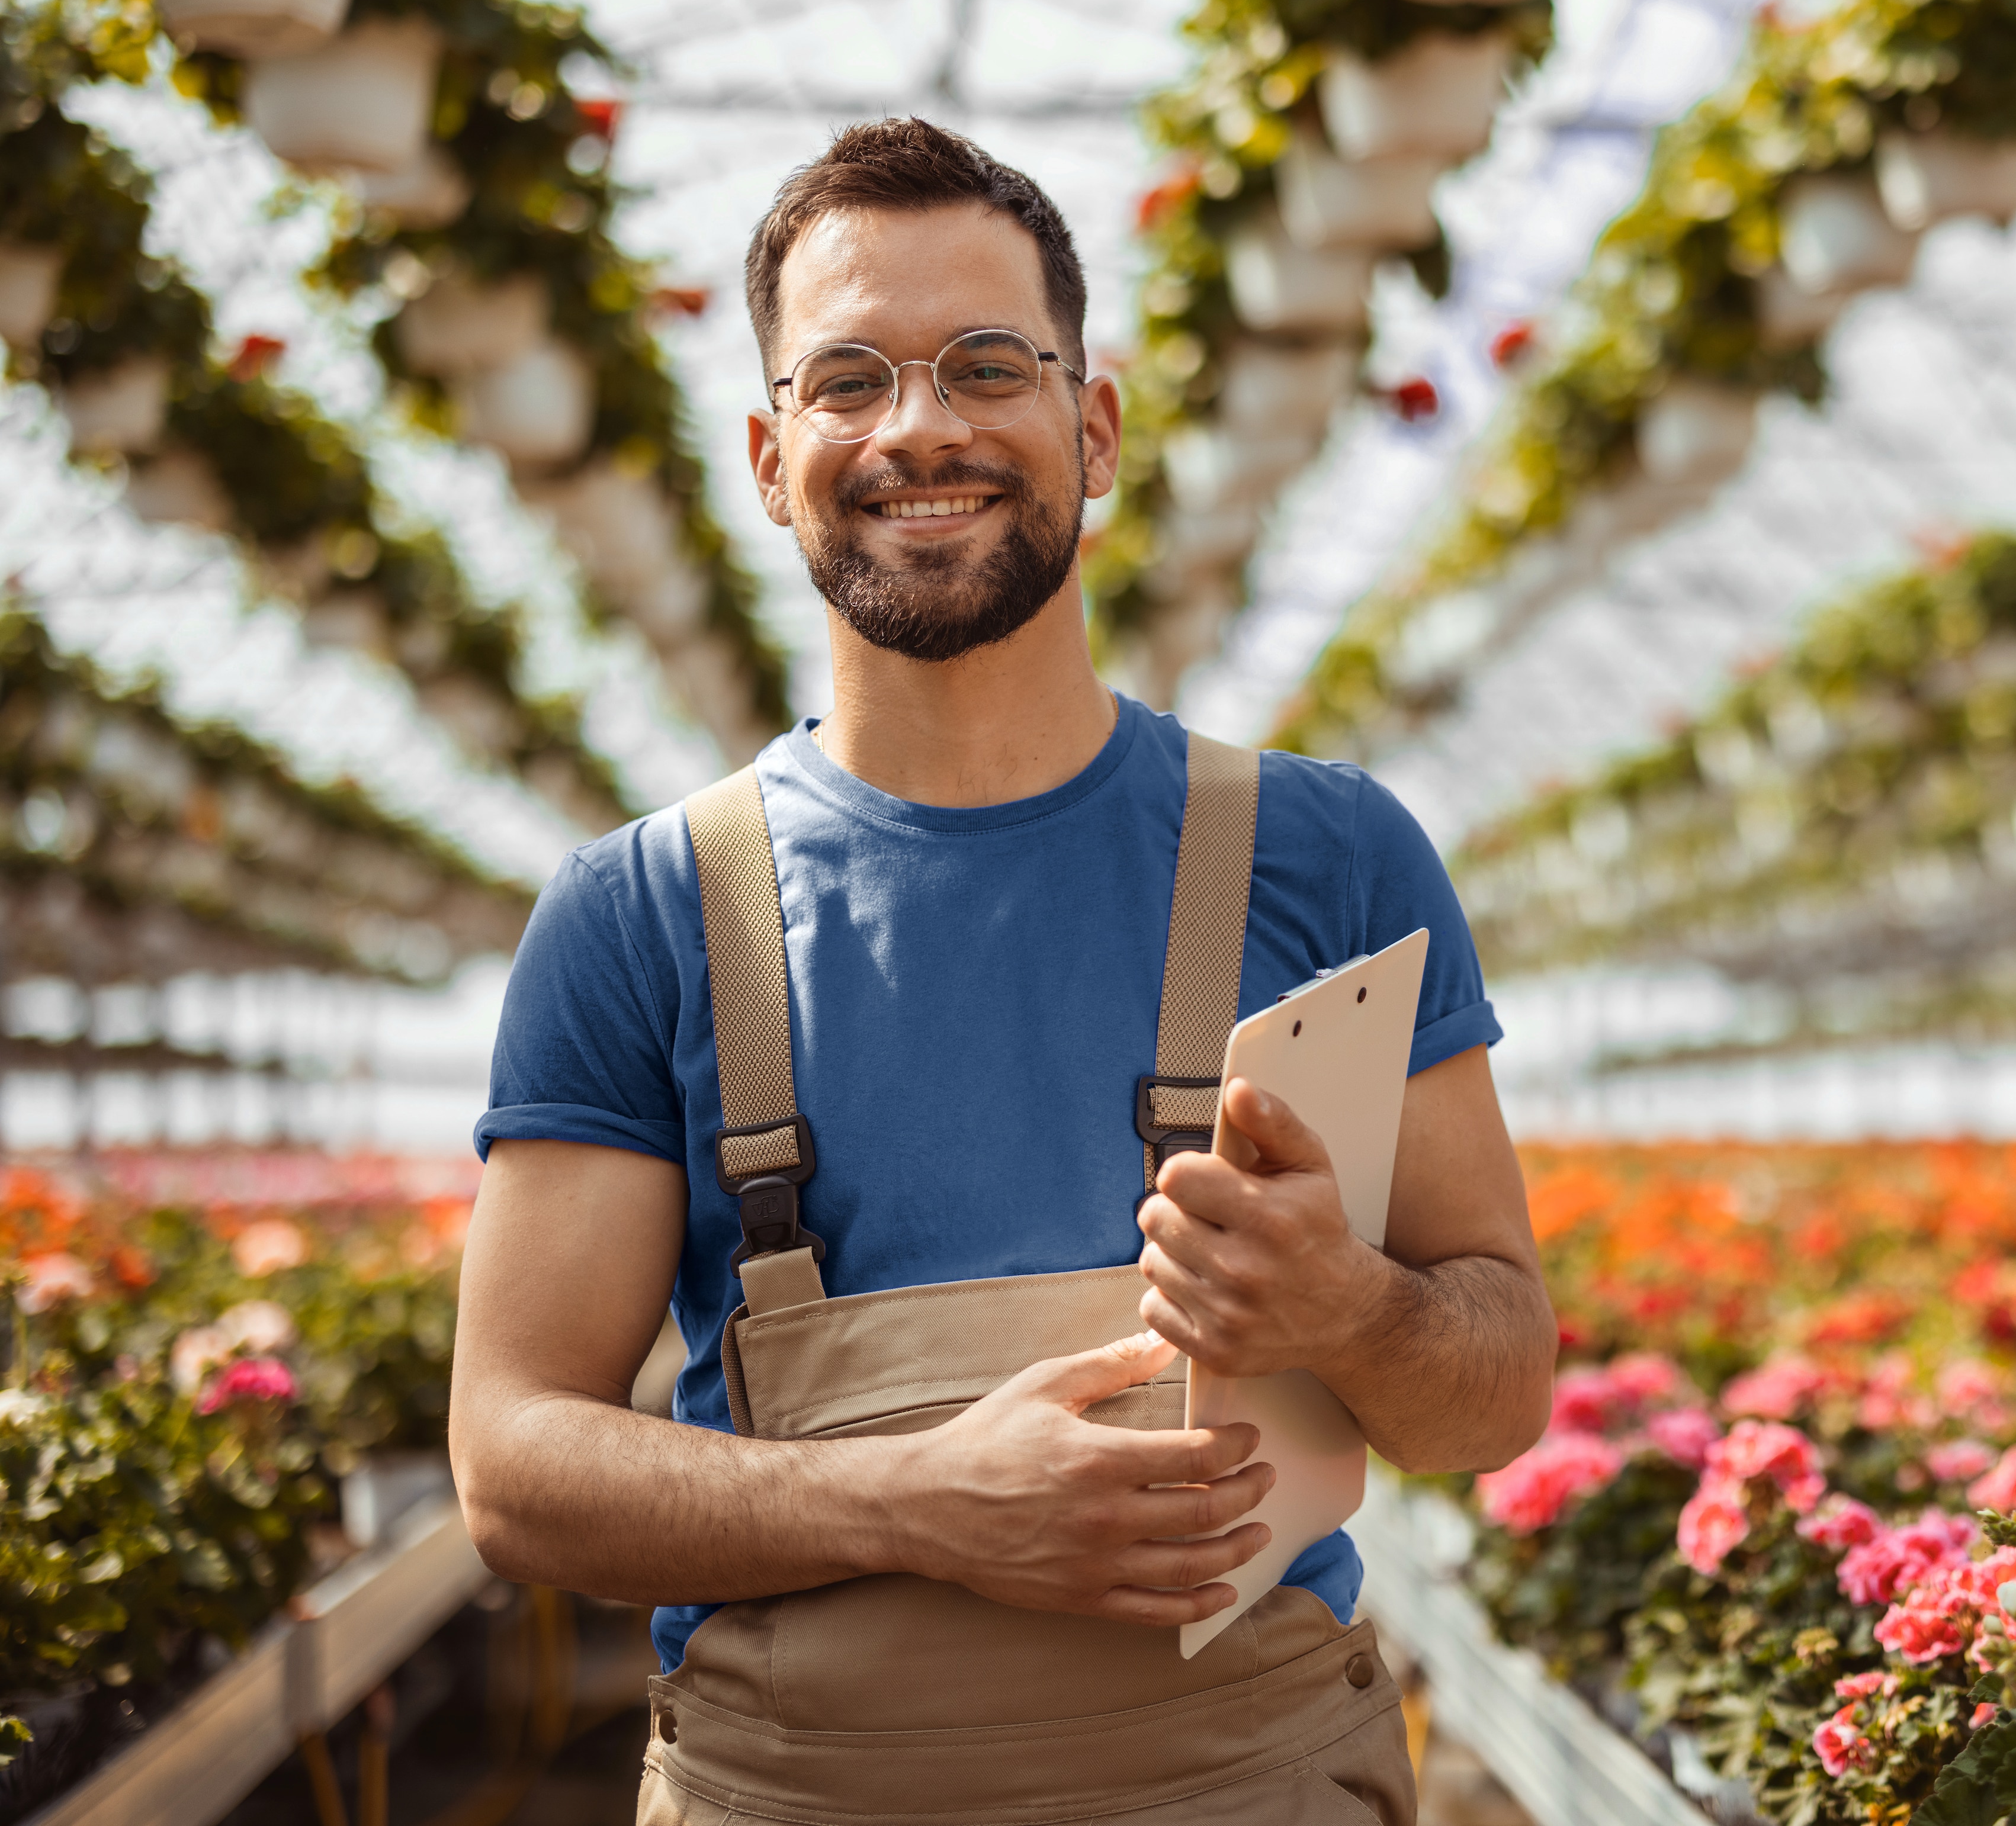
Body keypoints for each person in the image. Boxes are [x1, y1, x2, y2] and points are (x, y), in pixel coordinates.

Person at [448, 117, 1556, 1825]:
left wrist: (1349, 1307)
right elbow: (515, 1464)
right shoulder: (641, 913)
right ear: (769, 458)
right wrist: (917, 1504)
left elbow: (1495, 1389)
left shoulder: (1329, 857)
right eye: (849, 380)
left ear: (1092, 428)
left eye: (986, 365)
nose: (921, 428)